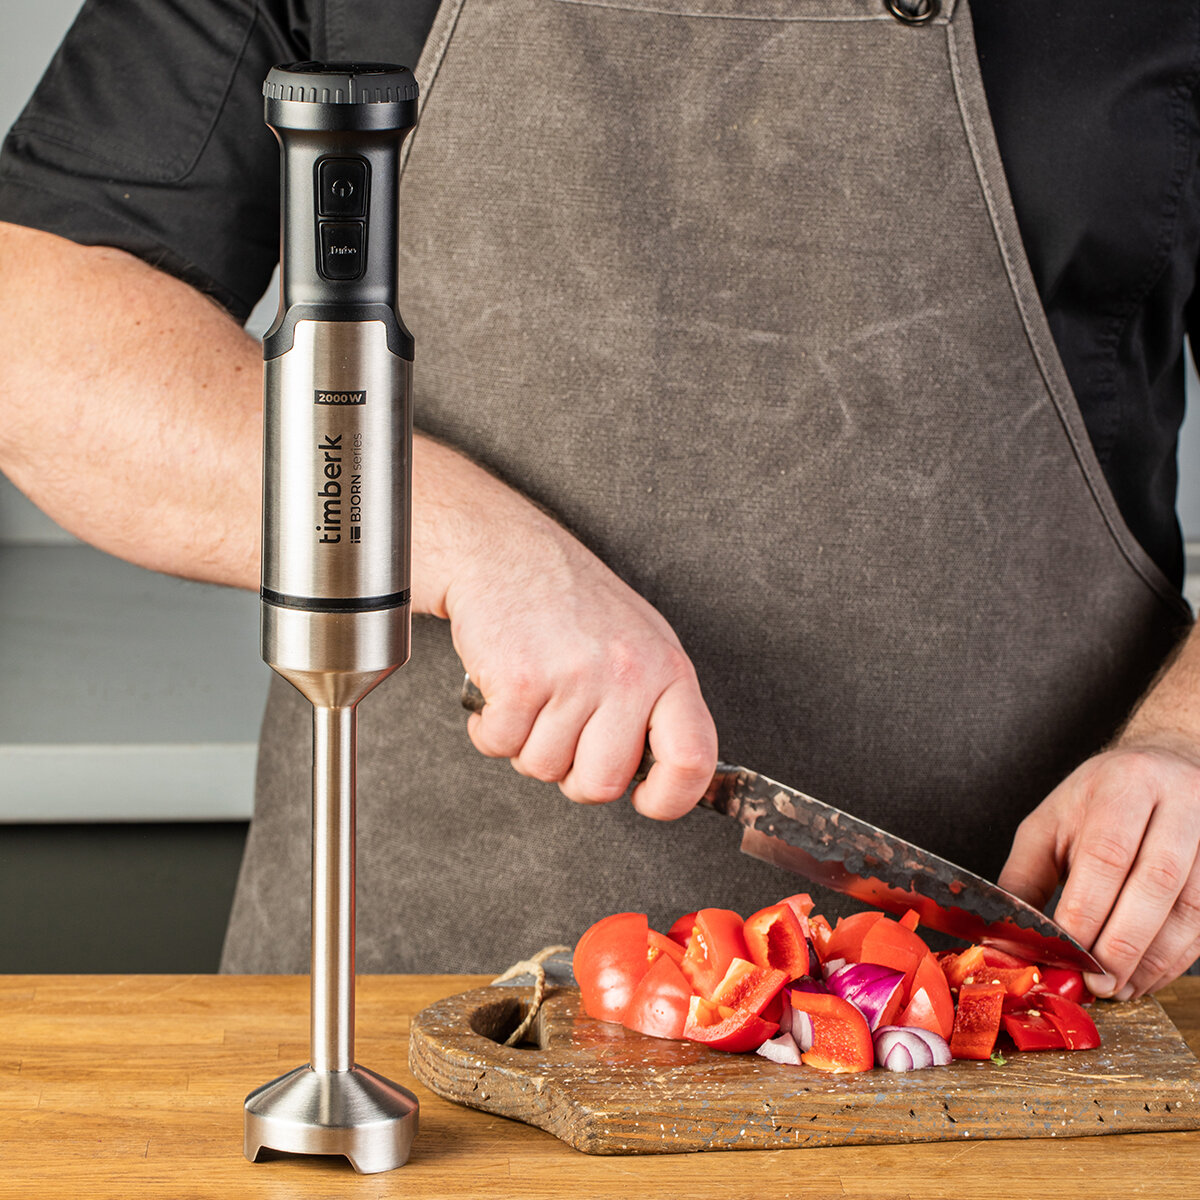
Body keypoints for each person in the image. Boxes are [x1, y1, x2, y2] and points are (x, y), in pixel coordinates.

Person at [1, 0, 1199, 999]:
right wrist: (460, 540)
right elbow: (37, 337)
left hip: (1028, 1010)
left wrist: (1186, 741)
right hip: (414, 1007)